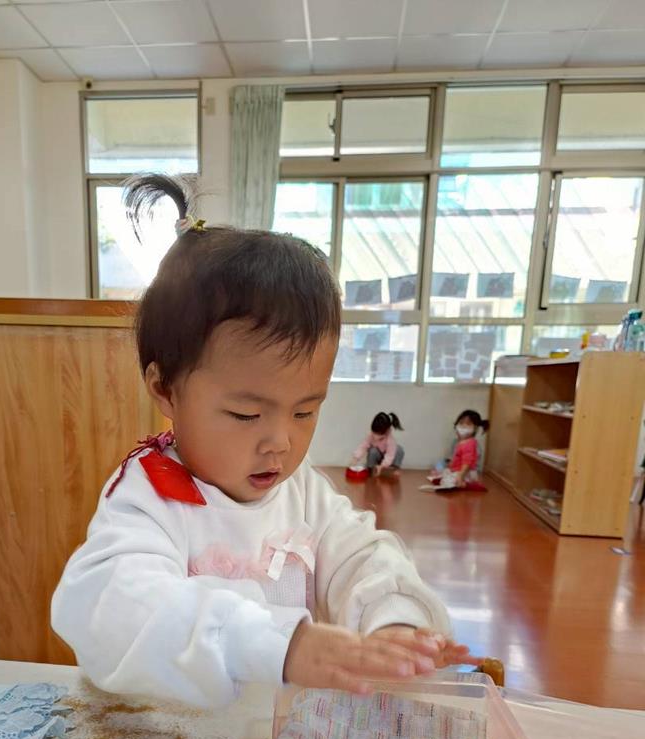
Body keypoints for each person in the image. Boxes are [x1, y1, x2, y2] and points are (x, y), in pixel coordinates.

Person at [51, 174, 476, 709]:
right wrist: (278, 644)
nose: (280, 442)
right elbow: (114, 604)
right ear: (165, 389)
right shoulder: (149, 496)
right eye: (246, 414)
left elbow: (363, 558)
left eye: (305, 411)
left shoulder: (302, 493)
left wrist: (393, 625)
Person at [434, 410, 488, 487]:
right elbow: (454, 458)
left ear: (475, 428)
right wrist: (447, 466)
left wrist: (460, 475)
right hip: (458, 469)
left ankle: (463, 483)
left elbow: (467, 463)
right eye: (461, 423)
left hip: (467, 472)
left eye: (468, 424)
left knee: (448, 480)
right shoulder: (456, 442)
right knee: (442, 467)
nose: (463, 426)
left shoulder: (470, 443)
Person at [351, 411, 405, 477]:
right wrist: (355, 458)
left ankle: (396, 468)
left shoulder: (390, 440)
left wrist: (382, 466)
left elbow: (390, 455)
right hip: (378, 457)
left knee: (399, 449)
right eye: (374, 432)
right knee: (372, 450)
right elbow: (363, 446)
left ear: (386, 431)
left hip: (388, 460)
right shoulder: (371, 436)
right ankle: (370, 468)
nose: (375, 436)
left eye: (378, 434)